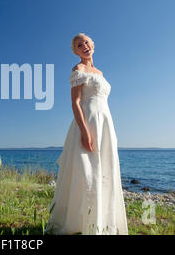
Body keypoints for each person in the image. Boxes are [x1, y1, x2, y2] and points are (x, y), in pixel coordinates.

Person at [46, 33, 128, 235]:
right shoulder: (78, 70)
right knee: (86, 172)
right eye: (79, 44)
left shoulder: (100, 72)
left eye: (86, 42)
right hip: (88, 122)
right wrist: (85, 132)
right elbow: (75, 103)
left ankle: (100, 222)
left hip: (105, 124)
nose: (84, 45)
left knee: (104, 170)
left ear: (93, 45)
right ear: (75, 51)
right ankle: (79, 223)